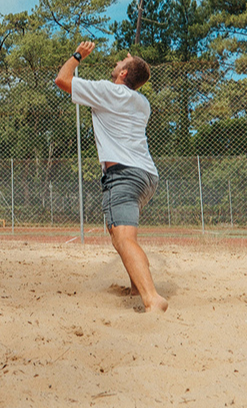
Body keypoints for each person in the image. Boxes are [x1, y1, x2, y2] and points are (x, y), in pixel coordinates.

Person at [54, 41, 167, 313]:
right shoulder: (142, 102)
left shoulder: (109, 92)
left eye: (120, 64)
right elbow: (131, 78)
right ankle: (137, 287)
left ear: (124, 74)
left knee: (123, 239)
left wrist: (79, 54)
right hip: (146, 176)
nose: (115, 64)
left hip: (124, 174)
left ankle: (152, 298)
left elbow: (62, 79)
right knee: (120, 232)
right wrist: (133, 63)